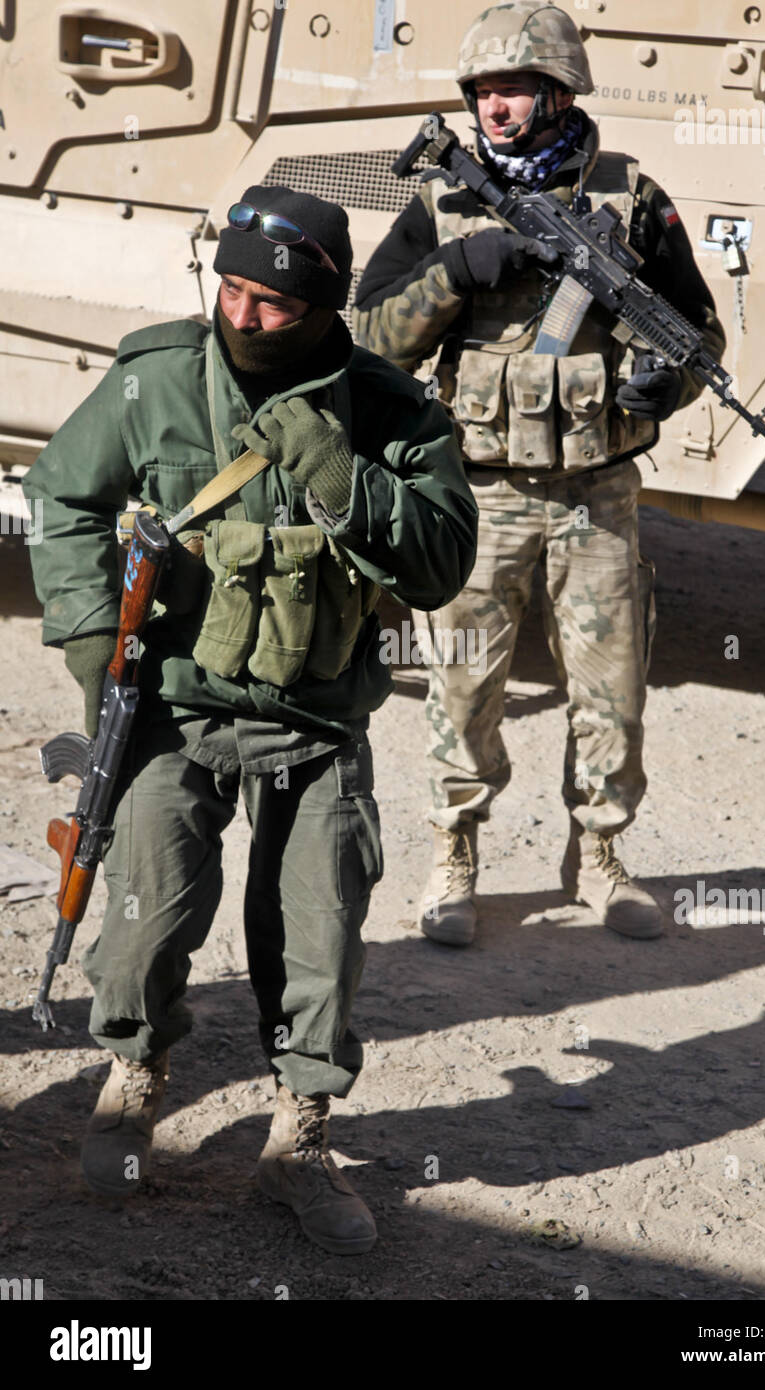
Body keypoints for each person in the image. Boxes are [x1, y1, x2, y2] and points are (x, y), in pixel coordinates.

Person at [23, 186, 477, 1255]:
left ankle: (298, 1137)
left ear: (321, 305)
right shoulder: (158, 380)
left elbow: (442, 560)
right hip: (175, 711)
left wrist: (340, 476)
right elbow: (60, 497)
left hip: (317, 723)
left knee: (318, 928)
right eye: (228, 289)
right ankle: (132, 1074)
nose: (244, 315)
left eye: (271, 301)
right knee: (144, 910)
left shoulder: (390, 411)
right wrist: (97, 643)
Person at [353, 1, 725, 947]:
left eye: (514, 88)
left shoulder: (631, 198)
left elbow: (697, 331)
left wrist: (663, 383)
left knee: (612, 687)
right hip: (478, 493)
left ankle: (600, 854)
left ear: (560, 93)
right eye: (483, 90)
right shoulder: (445, 201)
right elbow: (370, 341)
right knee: (464, 684)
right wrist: (459, 269)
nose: (496, 106)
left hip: (597, 493)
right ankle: (454, 851)